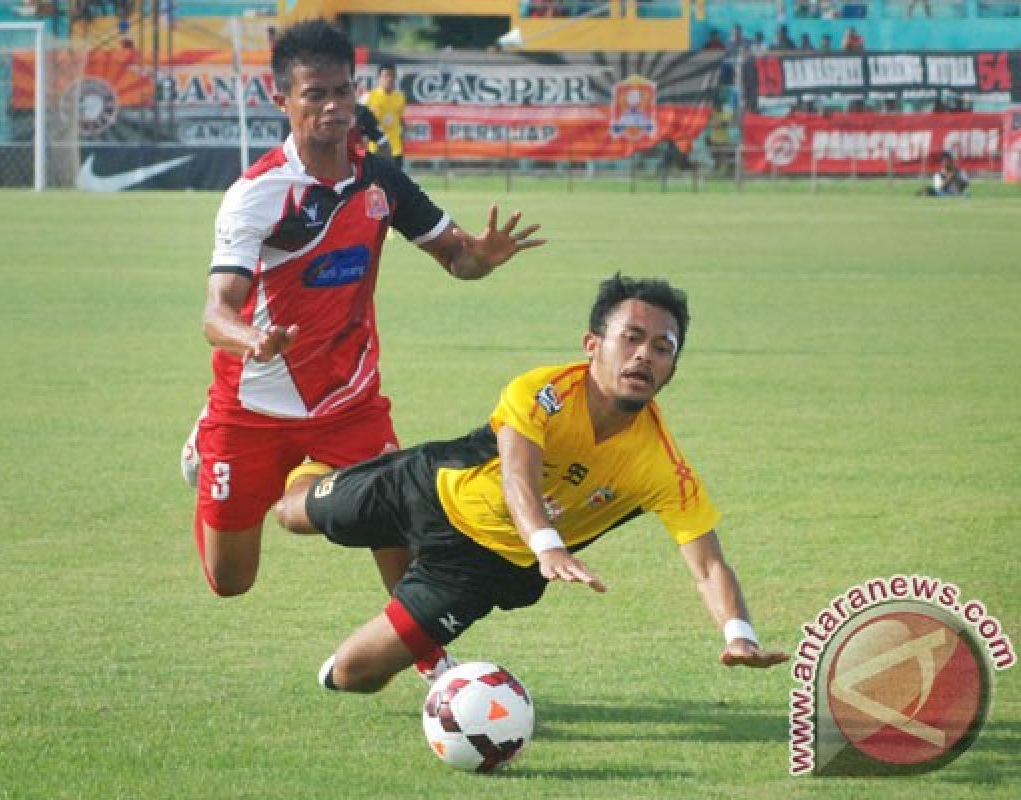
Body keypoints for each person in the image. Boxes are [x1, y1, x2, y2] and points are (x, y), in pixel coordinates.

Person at [183, 19, 544, 682]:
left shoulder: (382, 181)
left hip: (351, 402)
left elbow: (455, 258)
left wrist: (482, 260)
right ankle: (209, 450)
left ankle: (435, 664)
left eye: (343, 92)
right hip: (250, 406)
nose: (333, 107)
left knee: (399, 525)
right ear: (281, 101)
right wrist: (253, 339)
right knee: (230, 581)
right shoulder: (256, 196)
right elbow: (216, 313)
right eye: (315, 94)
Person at [275, 276, 789, 693]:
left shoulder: (661, 466)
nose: (643, 356)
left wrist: (738, 634)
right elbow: (519, 472)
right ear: (593, 345)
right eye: (631, 338)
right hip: (426, 488)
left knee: (352, 675)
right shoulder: (542, 391)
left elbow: (708, 565)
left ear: (672, 368)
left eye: (662, 347)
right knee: (289, 515)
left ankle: (416, 635)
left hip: (477, 569)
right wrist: (547, 543)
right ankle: (319, 453)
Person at [362, 63, 406, 168]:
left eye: (392, 76)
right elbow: (361, 122)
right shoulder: (370, 97)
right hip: (375, 147)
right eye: (386, 75)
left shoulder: (400, 97)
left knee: (395, 182)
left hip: (395, 149)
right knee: (375, 182)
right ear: (379, 77)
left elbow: (400, 120)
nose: (389, 79)